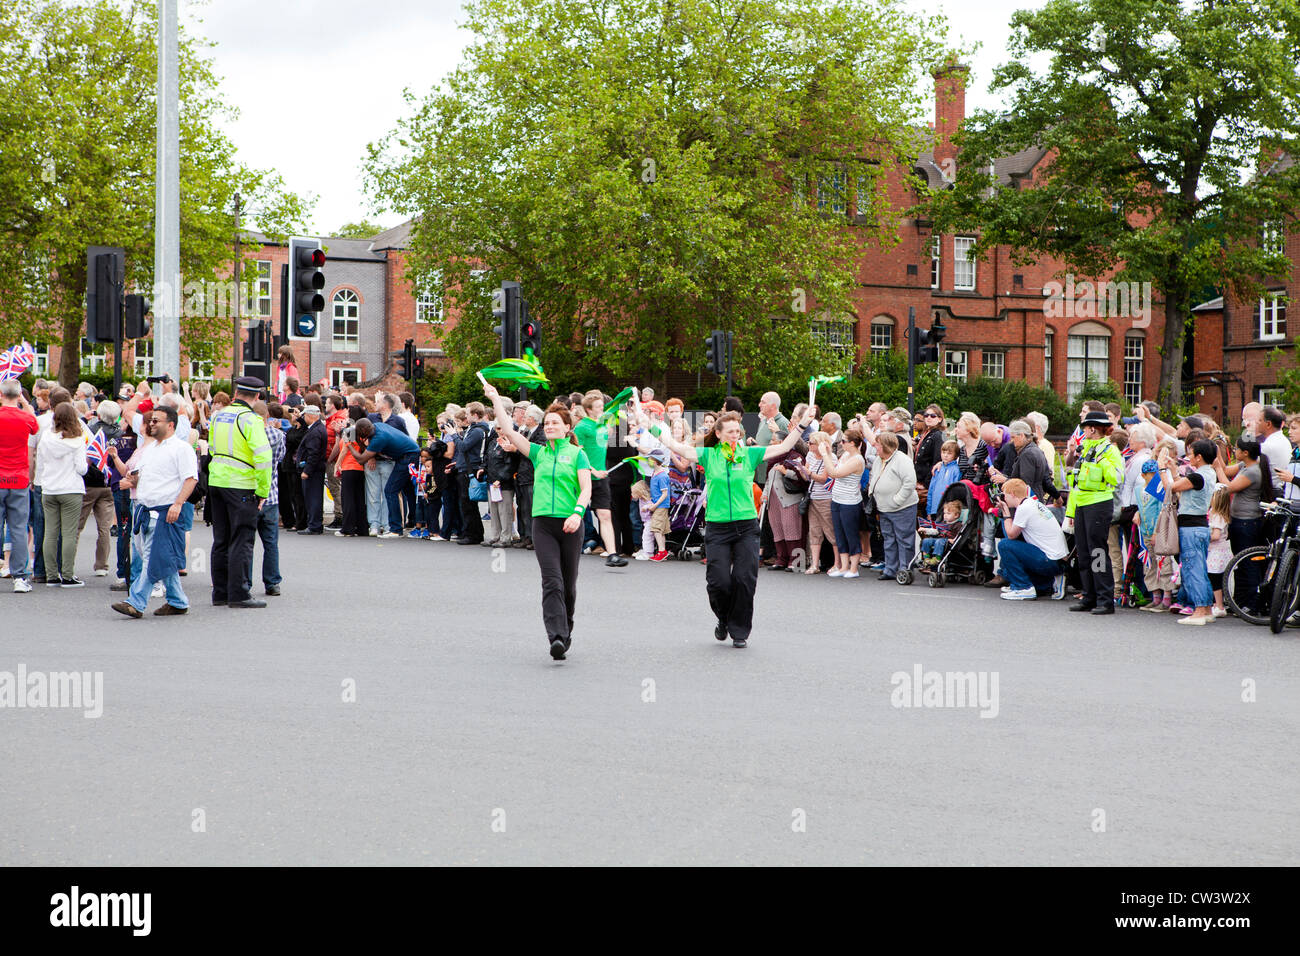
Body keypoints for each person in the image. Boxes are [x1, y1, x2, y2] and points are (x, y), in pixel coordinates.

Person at [645, 406, 815, 648]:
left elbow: (785, 446)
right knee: (718, 581)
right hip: (717, 527)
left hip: (746, 525)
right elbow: (675, 445)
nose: (736, 435)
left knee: (745, 579)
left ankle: (739, 631)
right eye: (731, 431)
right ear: (719, 433)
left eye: (738, 431)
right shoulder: (708, 455)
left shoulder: (750, 454)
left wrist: (802, 425)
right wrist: (647, 423)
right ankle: (723, 618)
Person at [483, 381, 592, 660]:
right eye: (548, 423)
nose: (551, 426)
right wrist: (496, 400)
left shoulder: (577, 455)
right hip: (543, 524)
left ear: (568, 428)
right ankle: (556, 636)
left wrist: (577, 514)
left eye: (556, 422)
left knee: (568, 585)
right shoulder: (538, 453)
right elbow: (508, 430)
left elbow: (586, 489)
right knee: (551, 581)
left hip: (570, 524)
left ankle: (566, 627)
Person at [111, 405, 198, 618]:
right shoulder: (150, 448)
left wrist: (177, 504)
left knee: (152, 558)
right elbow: (146, 475)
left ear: (170, 425)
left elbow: (191, 479)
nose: (151, 424)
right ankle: (178, 601)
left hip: (164, 512)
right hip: (144, 510)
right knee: (156, 556)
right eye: (151, 420)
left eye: (156, 420)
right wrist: (132, 480)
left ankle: (136, 602)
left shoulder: (181, 448)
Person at [207, 376, 273, 609]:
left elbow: (212, 448)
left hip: (217, 481)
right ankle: (239, 594)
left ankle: (220, 593)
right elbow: (264, 458)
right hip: (241, 485)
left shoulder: (218, 415)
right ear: (256, 396)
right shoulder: (250, 419)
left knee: (221, 539)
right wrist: (263, 490)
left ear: (236, 393)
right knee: (242, 539)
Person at [1065, 410, 1124, 615]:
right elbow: (1076, 484)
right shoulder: (1085, 449)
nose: (1083, 431)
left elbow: (1117, 477)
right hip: (1082, 504)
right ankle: (1089, 597)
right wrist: (1071, 513)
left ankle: (1105, 599)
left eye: (1085, 428)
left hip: (1099, 503)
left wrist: (1101, 461)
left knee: (1098, 552)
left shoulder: (1109, 450)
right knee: (1083, 552)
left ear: (1092, 428)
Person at [1157, 439, 1217, 625]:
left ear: (1199, 457)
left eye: (1191, 454)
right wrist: (1174, 470)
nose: (1188, 457)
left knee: (1192, 570)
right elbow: (1181, 486)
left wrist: (1161, 469)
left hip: (1191, 528)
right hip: (1199, 526)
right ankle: (1206, 608)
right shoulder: (1207, 474)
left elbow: (1171, 488)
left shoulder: (1198, 476)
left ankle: (1199, 610)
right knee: (1200, 568)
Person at [1213, 435, 1273, 614]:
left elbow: (1227, 487)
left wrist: (1216, 468)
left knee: (1248, 562)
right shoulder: (1245, 465)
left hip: (1247, 522)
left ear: (1245, 453)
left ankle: (1254, 603)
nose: (1234, 451)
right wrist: (1217, 451)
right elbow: (1226, 469)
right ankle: (1240, 601)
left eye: (1236, 449)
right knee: (1239, 561)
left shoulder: (1252, 471)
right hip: (1239, 520)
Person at [573, 389, 632, 567]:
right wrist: (592, 470)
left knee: (605, 514)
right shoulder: (582, 427)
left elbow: (601, 448)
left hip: (601, 477)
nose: (602, 409)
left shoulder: (602, 425)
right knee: (574, 513)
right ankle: (566, 547)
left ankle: (612, 554)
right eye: (598, 406)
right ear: (589, 409)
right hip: (583, 476)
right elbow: (577, 453)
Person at [36, 403, 89, 587]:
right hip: (71, 488)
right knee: (68, 533)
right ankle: (67, 574)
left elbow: (41, 461)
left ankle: (51, 575)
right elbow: (82, 469)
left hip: (49, 488)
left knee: (50, 533)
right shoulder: (77, 439)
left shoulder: (46, 437)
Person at [347, 416, 422, 539]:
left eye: (359, 432)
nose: (358, 435)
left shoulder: (379, 438)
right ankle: (418, 524)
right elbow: (365, 445)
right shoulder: (377, 426)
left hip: (408, 457)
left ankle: (396, 529)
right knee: (409, 491)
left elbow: (361, 459)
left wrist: (349, 444)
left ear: (364, 431)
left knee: (391, 490)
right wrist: (357, 438)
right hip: (410, 453)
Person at [994, 478, 1068, 600]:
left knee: (1005, 545)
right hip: (1058, 559)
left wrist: (1006, 512)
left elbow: (1011, 535)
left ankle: (1023, 588)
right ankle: (1049, 583)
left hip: (1049, 560)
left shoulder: (1024, 508)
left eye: (1005, 495)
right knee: (1018, 547)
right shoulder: (1034, 503)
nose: (1004, 499)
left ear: (1012, 494)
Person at [0, 381, 38, 592]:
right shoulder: (26, 418)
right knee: (18, 529)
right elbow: (34, 422)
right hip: (19, 478)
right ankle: (20, 577)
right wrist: (24, 401)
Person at [78, 399, 122, 577]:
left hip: (89, 482)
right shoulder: (120, 433)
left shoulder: (92, 430)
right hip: (109, 483)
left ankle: (67, 563)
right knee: (104, 527)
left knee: (77, 526)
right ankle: (102, 565)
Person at [869, 431, 919, 581]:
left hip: (902, 507)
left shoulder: (902, 460)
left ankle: (905, 569)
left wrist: (897, 500)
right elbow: (875, 476)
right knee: (888, 538)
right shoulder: (879, 460)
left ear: (885, 446)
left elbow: (910, 483)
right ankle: (890, 569)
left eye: (877, 444)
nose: (875, 447)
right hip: (883, 507)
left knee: (904, 539)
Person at [251, 401, 285, 596]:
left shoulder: (249, 435)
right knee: (271, 543)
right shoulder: (278, 436)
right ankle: (272, 583)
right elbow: (279, 458)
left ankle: (245, 582)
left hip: (252, 493)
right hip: (271, 493)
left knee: (247, 542)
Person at [803, 431, 837, 575]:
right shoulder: (810, 454)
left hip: (826, 498)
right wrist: (803, 471)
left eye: (811, 443)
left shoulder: (830, 457)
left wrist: (808, 473)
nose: (808, 445)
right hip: (812, 497)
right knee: (814, 531)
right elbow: (806, 474)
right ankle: (815, 564)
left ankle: (837, 563)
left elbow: (824, 479)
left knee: (830, 531)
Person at [334, 406, 369, 538]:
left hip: (349, 466)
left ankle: (347, 528)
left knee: (347, 498)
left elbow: (345, 449)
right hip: (359, 468)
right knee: (359, 499)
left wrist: (337, 465)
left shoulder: (351, 429)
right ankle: (362, 527)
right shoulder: (362, 430)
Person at [484, 428, 520, 548]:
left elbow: (511, 465)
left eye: (501, 428)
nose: (499, 431)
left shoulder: (510, 443)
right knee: (494, 511)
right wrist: (482, 469)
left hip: (504, 483)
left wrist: (501, 479)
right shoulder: (493, 442)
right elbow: (487, 459)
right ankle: (495, 536)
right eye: (497, 428)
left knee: (504, 511)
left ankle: (505, 537)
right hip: (491, 481)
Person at [295, 404, 327, 535]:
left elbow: (313, 453)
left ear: (310, 416)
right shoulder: (318, 428)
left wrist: (306, 471)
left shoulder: (315, 432)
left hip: (313, 470)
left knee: (313, 497)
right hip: (316, 469)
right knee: (313, 497)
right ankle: (314, 524)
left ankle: (314, 525)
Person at [1206, 486, 1233, 620]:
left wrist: (1204, 536)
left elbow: (1216, 535)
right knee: (1218, 578)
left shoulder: (1217, 516)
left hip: (1216, 551)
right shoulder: (1217, 513)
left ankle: (1220, 606)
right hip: (1219, 551)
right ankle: (1218, 603)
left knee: (1214, 578)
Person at [1256, 406, 1293, 494]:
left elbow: (1245, 467)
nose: (1257, 422)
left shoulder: (1267, 446)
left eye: (1260, 420)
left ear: (1268, 424)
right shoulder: (1284, 440)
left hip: (1271, 493)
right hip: (1281, 490)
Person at [919, 499, 963, 567]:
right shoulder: (942, 523)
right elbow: (935, 530)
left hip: (948, 541)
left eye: (948, 514)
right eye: (944, 513)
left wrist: (953, 540)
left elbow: (959, 535)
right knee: (926, 540)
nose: (945, 515)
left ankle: (937, 558)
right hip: (939, 539)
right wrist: (925, 529)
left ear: (956, 515)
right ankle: (926, 557)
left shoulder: (958, 525)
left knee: (939, 541)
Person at [648, 452, 673, 561]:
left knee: (656, 528)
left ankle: (662, 551)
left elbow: (665, 494)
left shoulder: (662, 476)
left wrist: (655, 505)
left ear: (655, 461)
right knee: (660, 530)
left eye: (649, 459)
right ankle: (662, 551)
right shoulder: (655, 473)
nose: (648, 461)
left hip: (661, 506)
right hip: (657, 505)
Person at [927, 441, 961, 516]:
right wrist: (929, 510)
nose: (945, 455)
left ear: (955, 455)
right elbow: (931, 490)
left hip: (947, 511)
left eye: (949, 453)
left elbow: (954, 492)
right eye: (943, 452)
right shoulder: (938, 468)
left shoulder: (956, 470)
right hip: (934, 509)